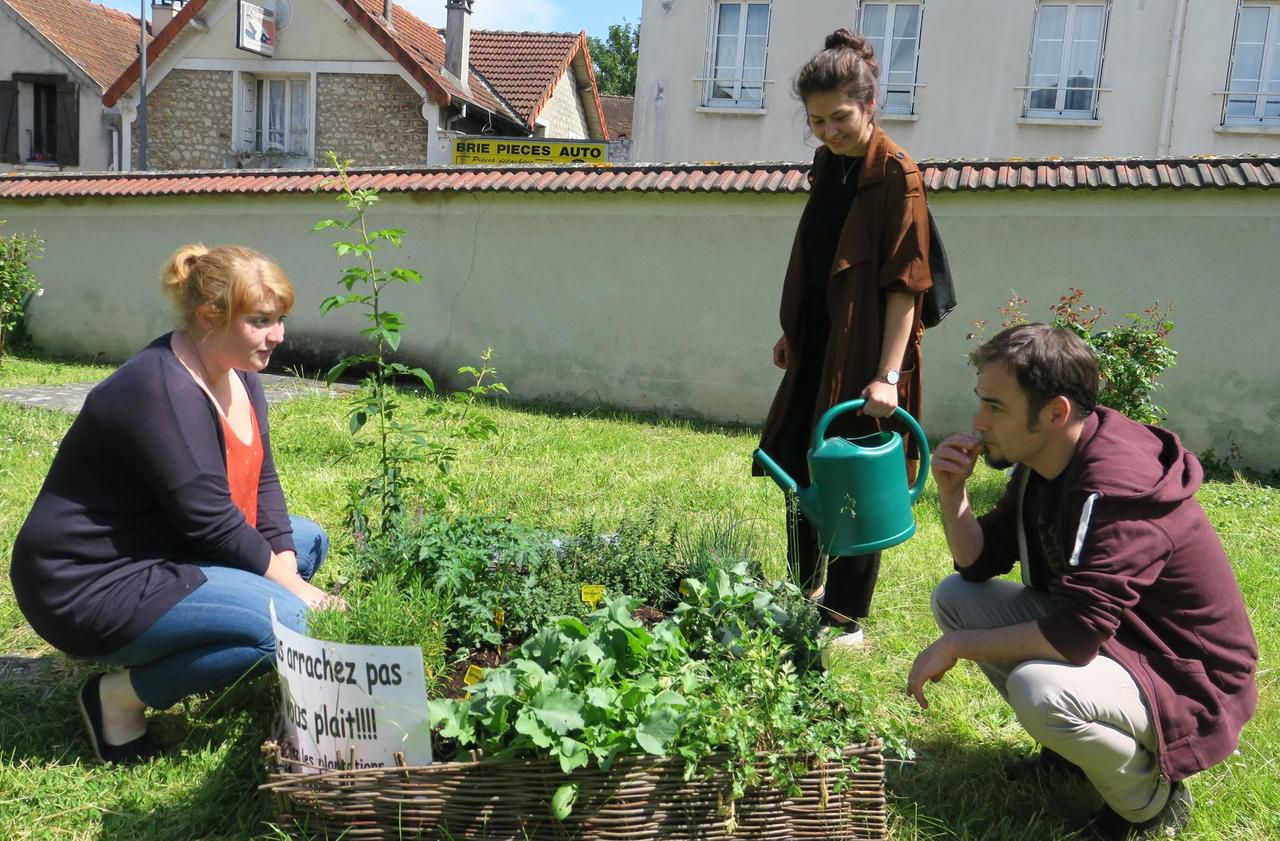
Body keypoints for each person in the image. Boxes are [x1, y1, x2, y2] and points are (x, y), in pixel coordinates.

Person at [908, 324, 1258, 840]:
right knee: (958, 599)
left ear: (1055, 412)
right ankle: (1071, 755)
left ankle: (1150, 803)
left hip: (1186, 677)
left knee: (1041, 688)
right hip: (1121, 642)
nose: (979, 421)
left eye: (996, 407)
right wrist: (952, 494)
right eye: (981, 402)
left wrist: (959, 646)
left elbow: (1073, 638)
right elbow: (979, 564)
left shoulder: (1118, 487)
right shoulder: (1046, 458)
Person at [10, 244, 343, 765]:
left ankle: (207, 648)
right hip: (88, 582)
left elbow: (263, 483)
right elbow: (210, 525)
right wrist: (301, 593)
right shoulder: (159, 389)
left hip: (165, 547)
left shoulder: (241, 374)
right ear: (211, 316)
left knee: (303, 542)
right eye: (261, 321)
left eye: (280, 319)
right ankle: (116, 699)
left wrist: (283, 564)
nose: (278, 335)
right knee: (286, 629)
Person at [755, 28, 933, 650]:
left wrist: (886, 377)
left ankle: (846, 616)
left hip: (866, 353)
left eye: (840, 118)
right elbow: (820, 257)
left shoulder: (897, 177)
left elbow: (905, 287)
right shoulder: (829, 166)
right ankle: (803, 589)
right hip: (817, 341)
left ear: (870, 105)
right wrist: (793, 331)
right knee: (803, 457)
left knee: (857, 471)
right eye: (816, 121)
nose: (828, 131)